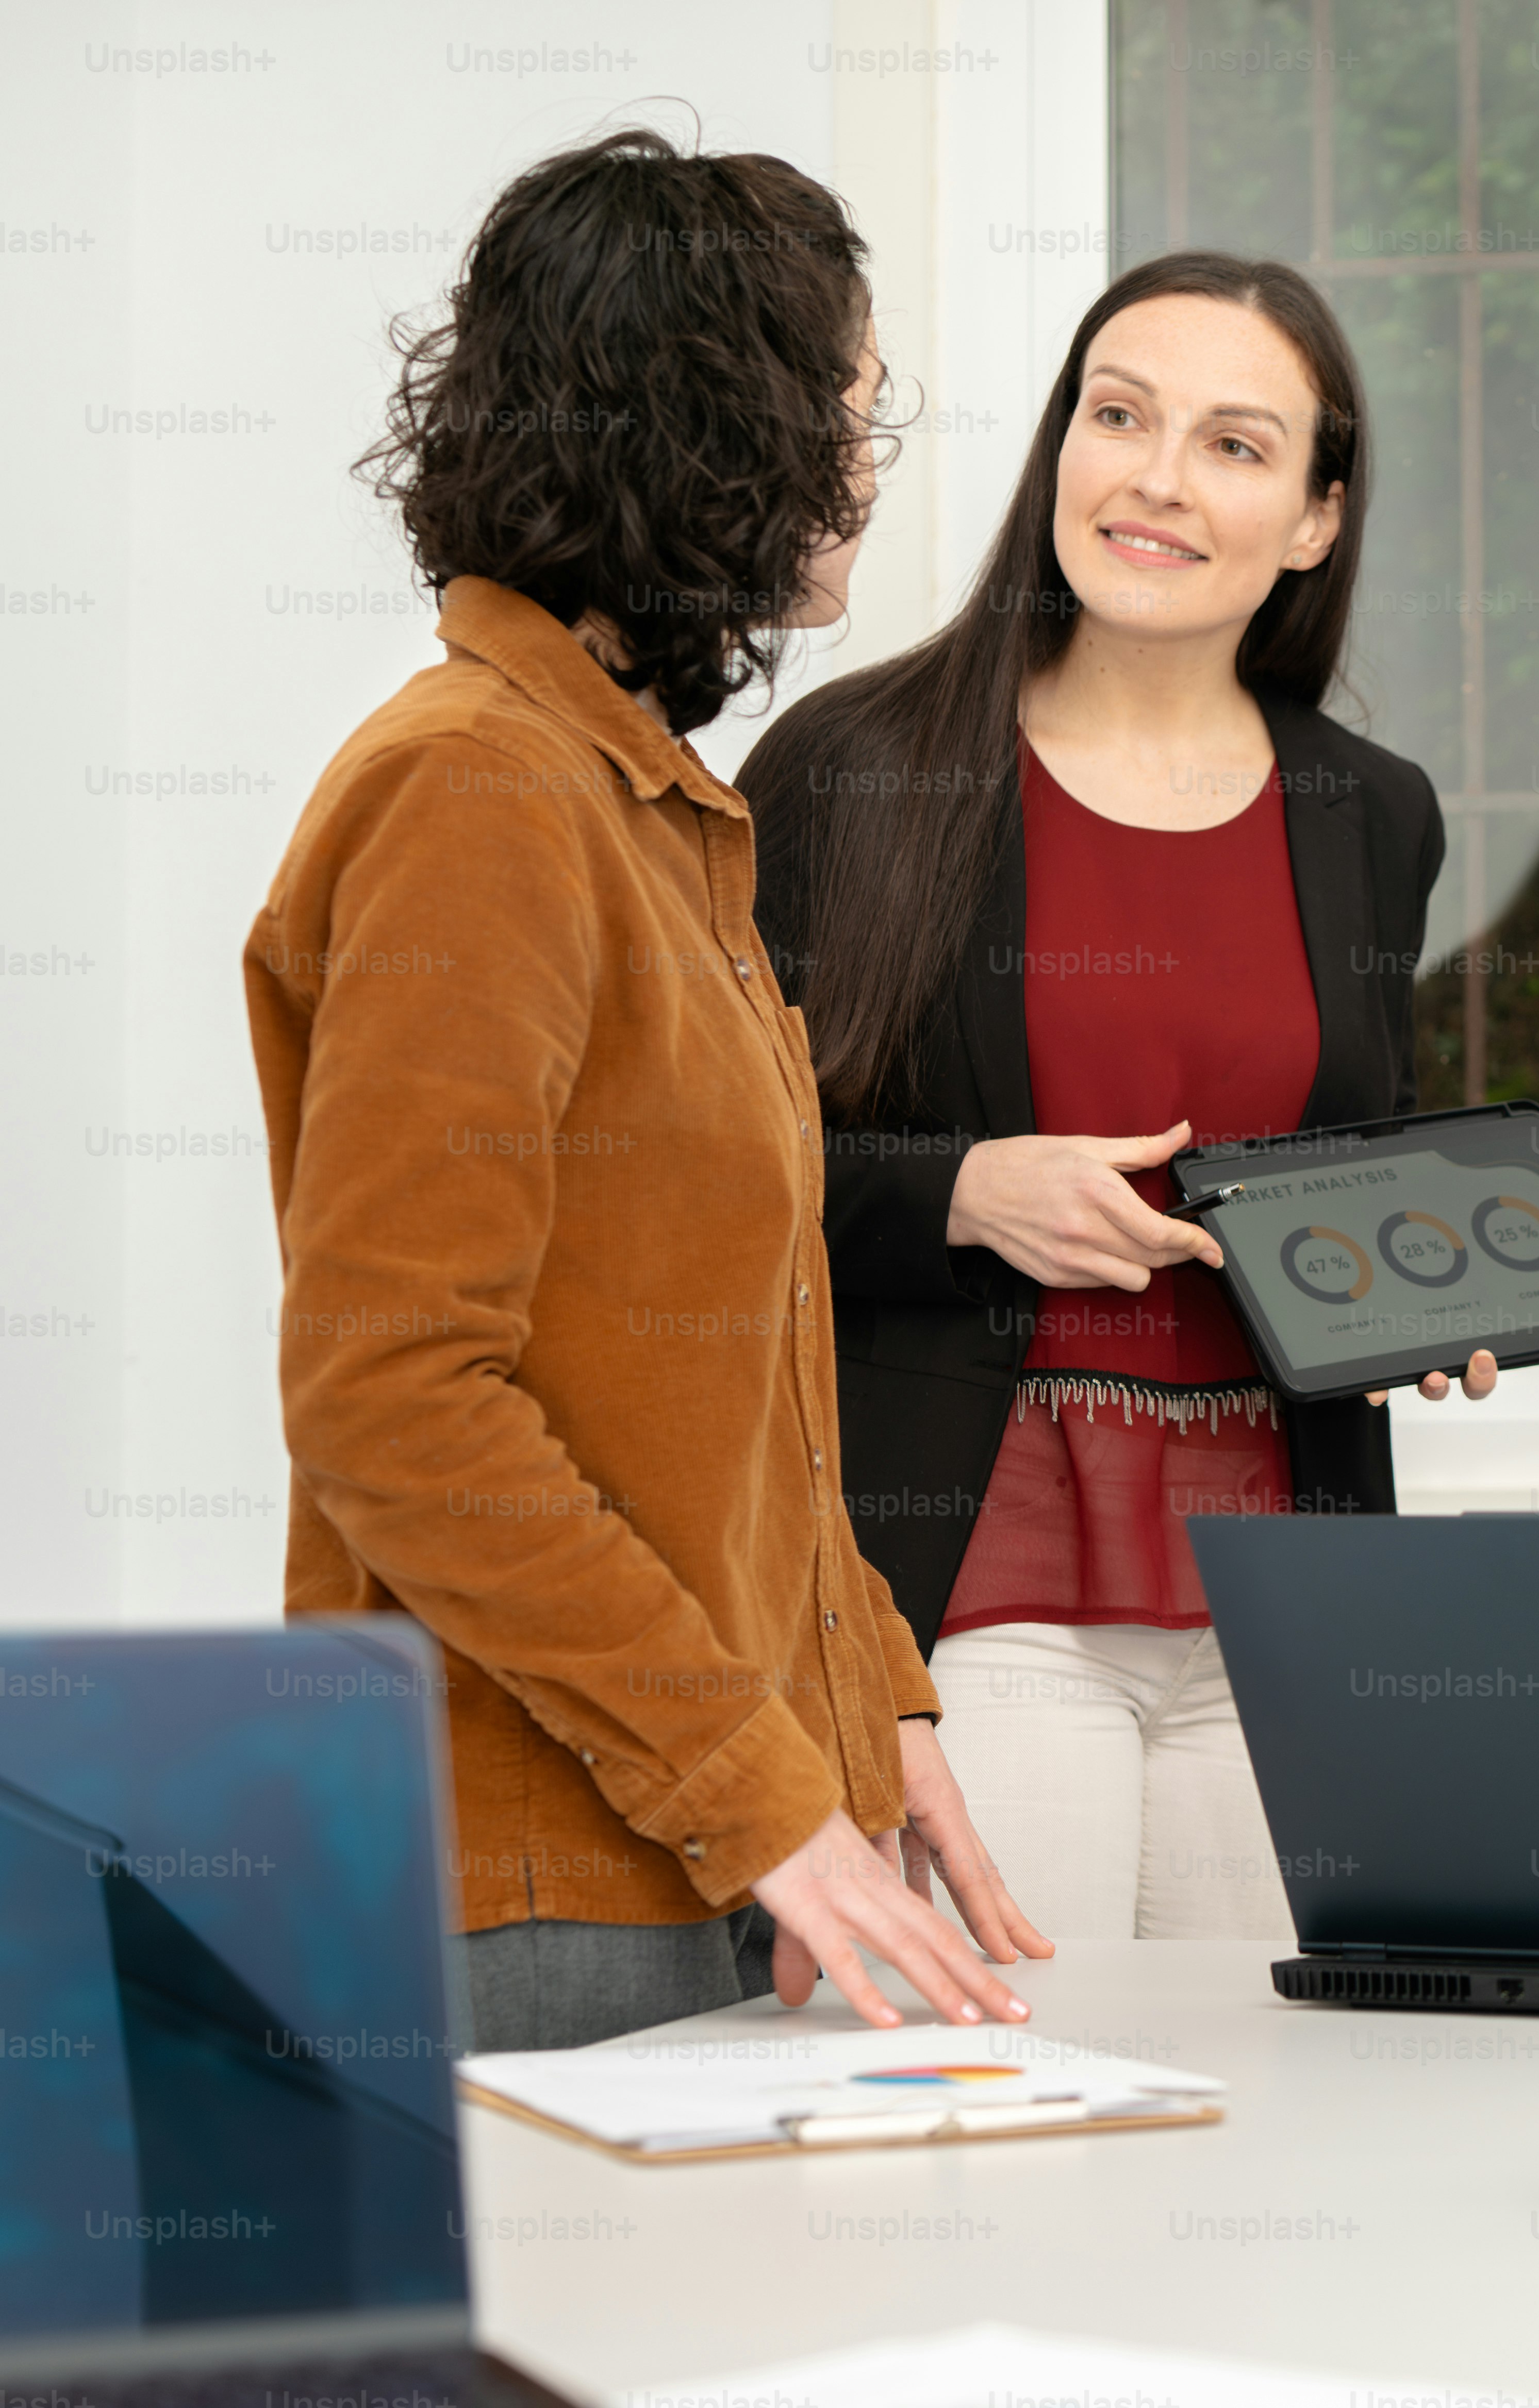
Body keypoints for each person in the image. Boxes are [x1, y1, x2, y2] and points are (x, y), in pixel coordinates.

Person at [250, 130, 1048, 2051]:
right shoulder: (481, 791)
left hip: (691, 1839)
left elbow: (727, 1389)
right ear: (721, 430)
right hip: (533, 1874)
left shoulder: (647, 802)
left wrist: (875, 1707)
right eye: (846, 407)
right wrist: (769, 1796)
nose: (865, 461)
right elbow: (394, 1390)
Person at [742, 253, 1494, 1948]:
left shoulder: (1368, 812)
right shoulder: (851, 772)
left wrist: (1418, 1277)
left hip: (1285, 1600)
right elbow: (709, 1183)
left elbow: (1343, 1147)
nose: (1155, 475)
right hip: (968, 1584)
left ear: (1313, 518)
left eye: (1233, 445)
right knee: (1005, 2111)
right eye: (1118, 415)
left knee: (1262, 2115)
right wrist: (956, 1192)